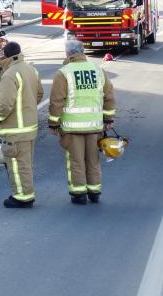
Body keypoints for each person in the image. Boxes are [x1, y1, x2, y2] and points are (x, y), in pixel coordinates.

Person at [48, 39, 116, 205]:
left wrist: (53, 123)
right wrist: (108, 118)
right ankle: (94, 191)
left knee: (76, 161)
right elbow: (109, 96)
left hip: (72, 128)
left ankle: (79, 194)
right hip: (94, 126)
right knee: (93, 160)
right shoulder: (98, 71)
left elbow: (57, 101)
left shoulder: (64, 73)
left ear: (68, 54)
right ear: (82, 52)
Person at [0, 41, 44, 208]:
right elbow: (39, 94)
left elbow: (5, 104)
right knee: (25, 163)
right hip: (29, 128)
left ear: (6, 56)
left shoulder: (9, 74)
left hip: (15, 129)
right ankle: (26, 193)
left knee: (16, 165)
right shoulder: (32, 70)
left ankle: (22, 197)